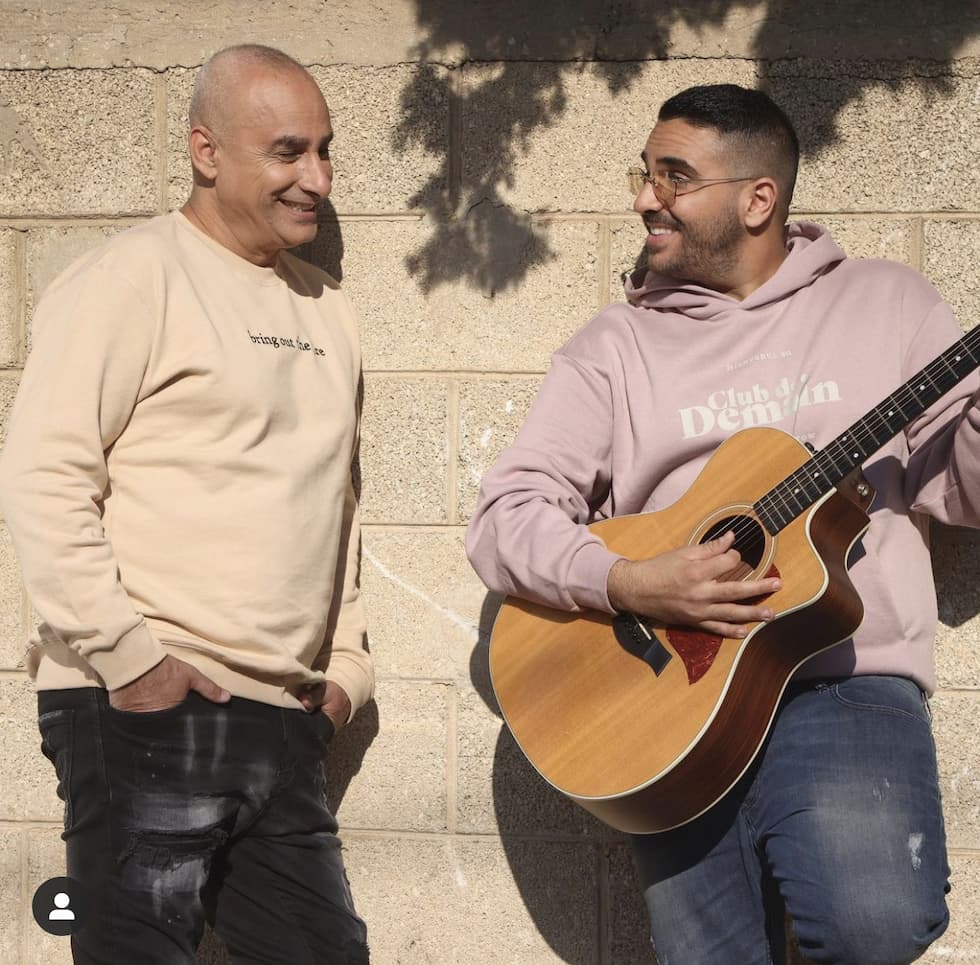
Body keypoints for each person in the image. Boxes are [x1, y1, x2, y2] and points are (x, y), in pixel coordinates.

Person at [466, 83, 974, 964]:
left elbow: (962, 491)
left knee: (876, 925)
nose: (644, 199)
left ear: (757, 199)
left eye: (674, 177)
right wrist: (629, 579)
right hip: (669, 703)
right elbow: (505, 515)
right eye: (644, 173)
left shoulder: (888, 303)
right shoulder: (615, 346)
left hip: (843, 679)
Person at [0, 44, 373, 964]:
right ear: (206, 151)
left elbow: (338, 502)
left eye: (325, 150)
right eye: (288, 152)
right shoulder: (132, 277)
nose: (317, 179)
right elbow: (44, 474)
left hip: (285, 719)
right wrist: (132, 662)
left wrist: (345, 672)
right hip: (145, 707)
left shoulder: (329, 310)